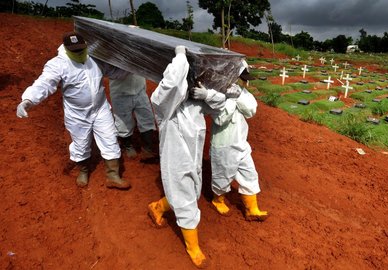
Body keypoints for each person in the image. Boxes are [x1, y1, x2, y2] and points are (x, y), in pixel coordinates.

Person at [147, 45, 229, 268]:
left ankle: (158, 207)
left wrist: (208, 93)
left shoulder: (196, 101)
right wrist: (181, 56)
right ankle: (193, 247)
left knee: (191, 191)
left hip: (193, 154)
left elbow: (220, 106)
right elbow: (172, 84)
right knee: (184, 196)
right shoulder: (164, 103)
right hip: (176, 156)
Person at [16, 32, 130, 190]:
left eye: (81, 49)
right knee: (81, 144)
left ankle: (113, 176)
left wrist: (133, 66)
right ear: (66, 49)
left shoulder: (94, 59)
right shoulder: (58, 64)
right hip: (77, 114)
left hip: (100, 108)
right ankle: (83, 170)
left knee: (110, 138)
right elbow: (45, 83)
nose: (79, 53)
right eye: (74, 50)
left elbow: (115, 72)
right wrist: (28, 100)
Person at [209, 61, 269, 221]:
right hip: (224, 143)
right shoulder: (216, 93)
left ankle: (252, 209)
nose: (244, 81)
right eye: (241, 78)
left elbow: (251, 110)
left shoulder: (241, 92)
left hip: (241, 142)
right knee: (223, 175)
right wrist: (230, 98)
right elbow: (221, 118)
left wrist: (238, 95)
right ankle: (217, 200)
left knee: (249, 173)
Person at [108, 70, 157, 159]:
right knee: (123, 123)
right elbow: (108, 72)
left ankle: (148, 148)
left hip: (140, 89)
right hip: (120, 93)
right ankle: (128, 146)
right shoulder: (112, 57)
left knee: (147, 118)